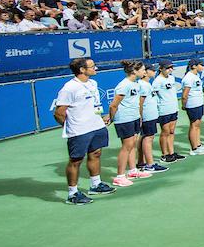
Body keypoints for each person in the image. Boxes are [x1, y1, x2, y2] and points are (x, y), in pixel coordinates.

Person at [53, 57, 116, 204]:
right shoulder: (69, 88)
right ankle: (73, 194)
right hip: (79, 131)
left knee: (96, 154)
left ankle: (95, 184)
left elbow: (94, 105)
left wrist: (99, 119)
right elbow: (59, 113)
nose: (96, 68)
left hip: (96, 126)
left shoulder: (93, 83)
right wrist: (71, 126)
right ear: (82, 70)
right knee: (76, 161)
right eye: (93, 66)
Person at [108, 60, 151, 185]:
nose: (145, 71)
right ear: (134, 71)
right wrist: (111, 119)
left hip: (134, 117)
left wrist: (140, 116)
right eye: (142, 69)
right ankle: (119, 176)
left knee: (132, 144)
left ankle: (133, 170)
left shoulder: (136, 85)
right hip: (124, 119)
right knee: (126, 146)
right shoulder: (124, 85)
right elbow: (113, 105)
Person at [136, 62, 168, 174]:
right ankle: (150, 164)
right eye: (152, 70)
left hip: (151, 115)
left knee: (146, 137)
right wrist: (140, 117)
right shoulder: (143, 85)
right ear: (145, 72)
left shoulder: (147, 84)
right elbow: (140, 103)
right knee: (148, 138)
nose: (154, 72)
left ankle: (142, 162)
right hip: (147, 116)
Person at [152, 59, 184, 163]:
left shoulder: (171, 78)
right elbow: (154, 96)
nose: (170, 70)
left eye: (171, 68)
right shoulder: (157, 81)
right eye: (167, 68)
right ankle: (164, 154)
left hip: (173, 108)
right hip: (163, 110)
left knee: (171, 131)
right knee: (165, 132)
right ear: (161, 69)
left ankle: (171, 152)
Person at [181, 58, 204, 154]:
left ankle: (198, 144)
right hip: (192, 105)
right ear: (194, 66)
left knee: (197, 125)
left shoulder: (196, 75)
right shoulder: (189, 78)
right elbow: (185, 94)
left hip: (198, 103)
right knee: (194, 125)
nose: (203, 67)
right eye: (201, 65)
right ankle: (194, 148)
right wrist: (184, 105)